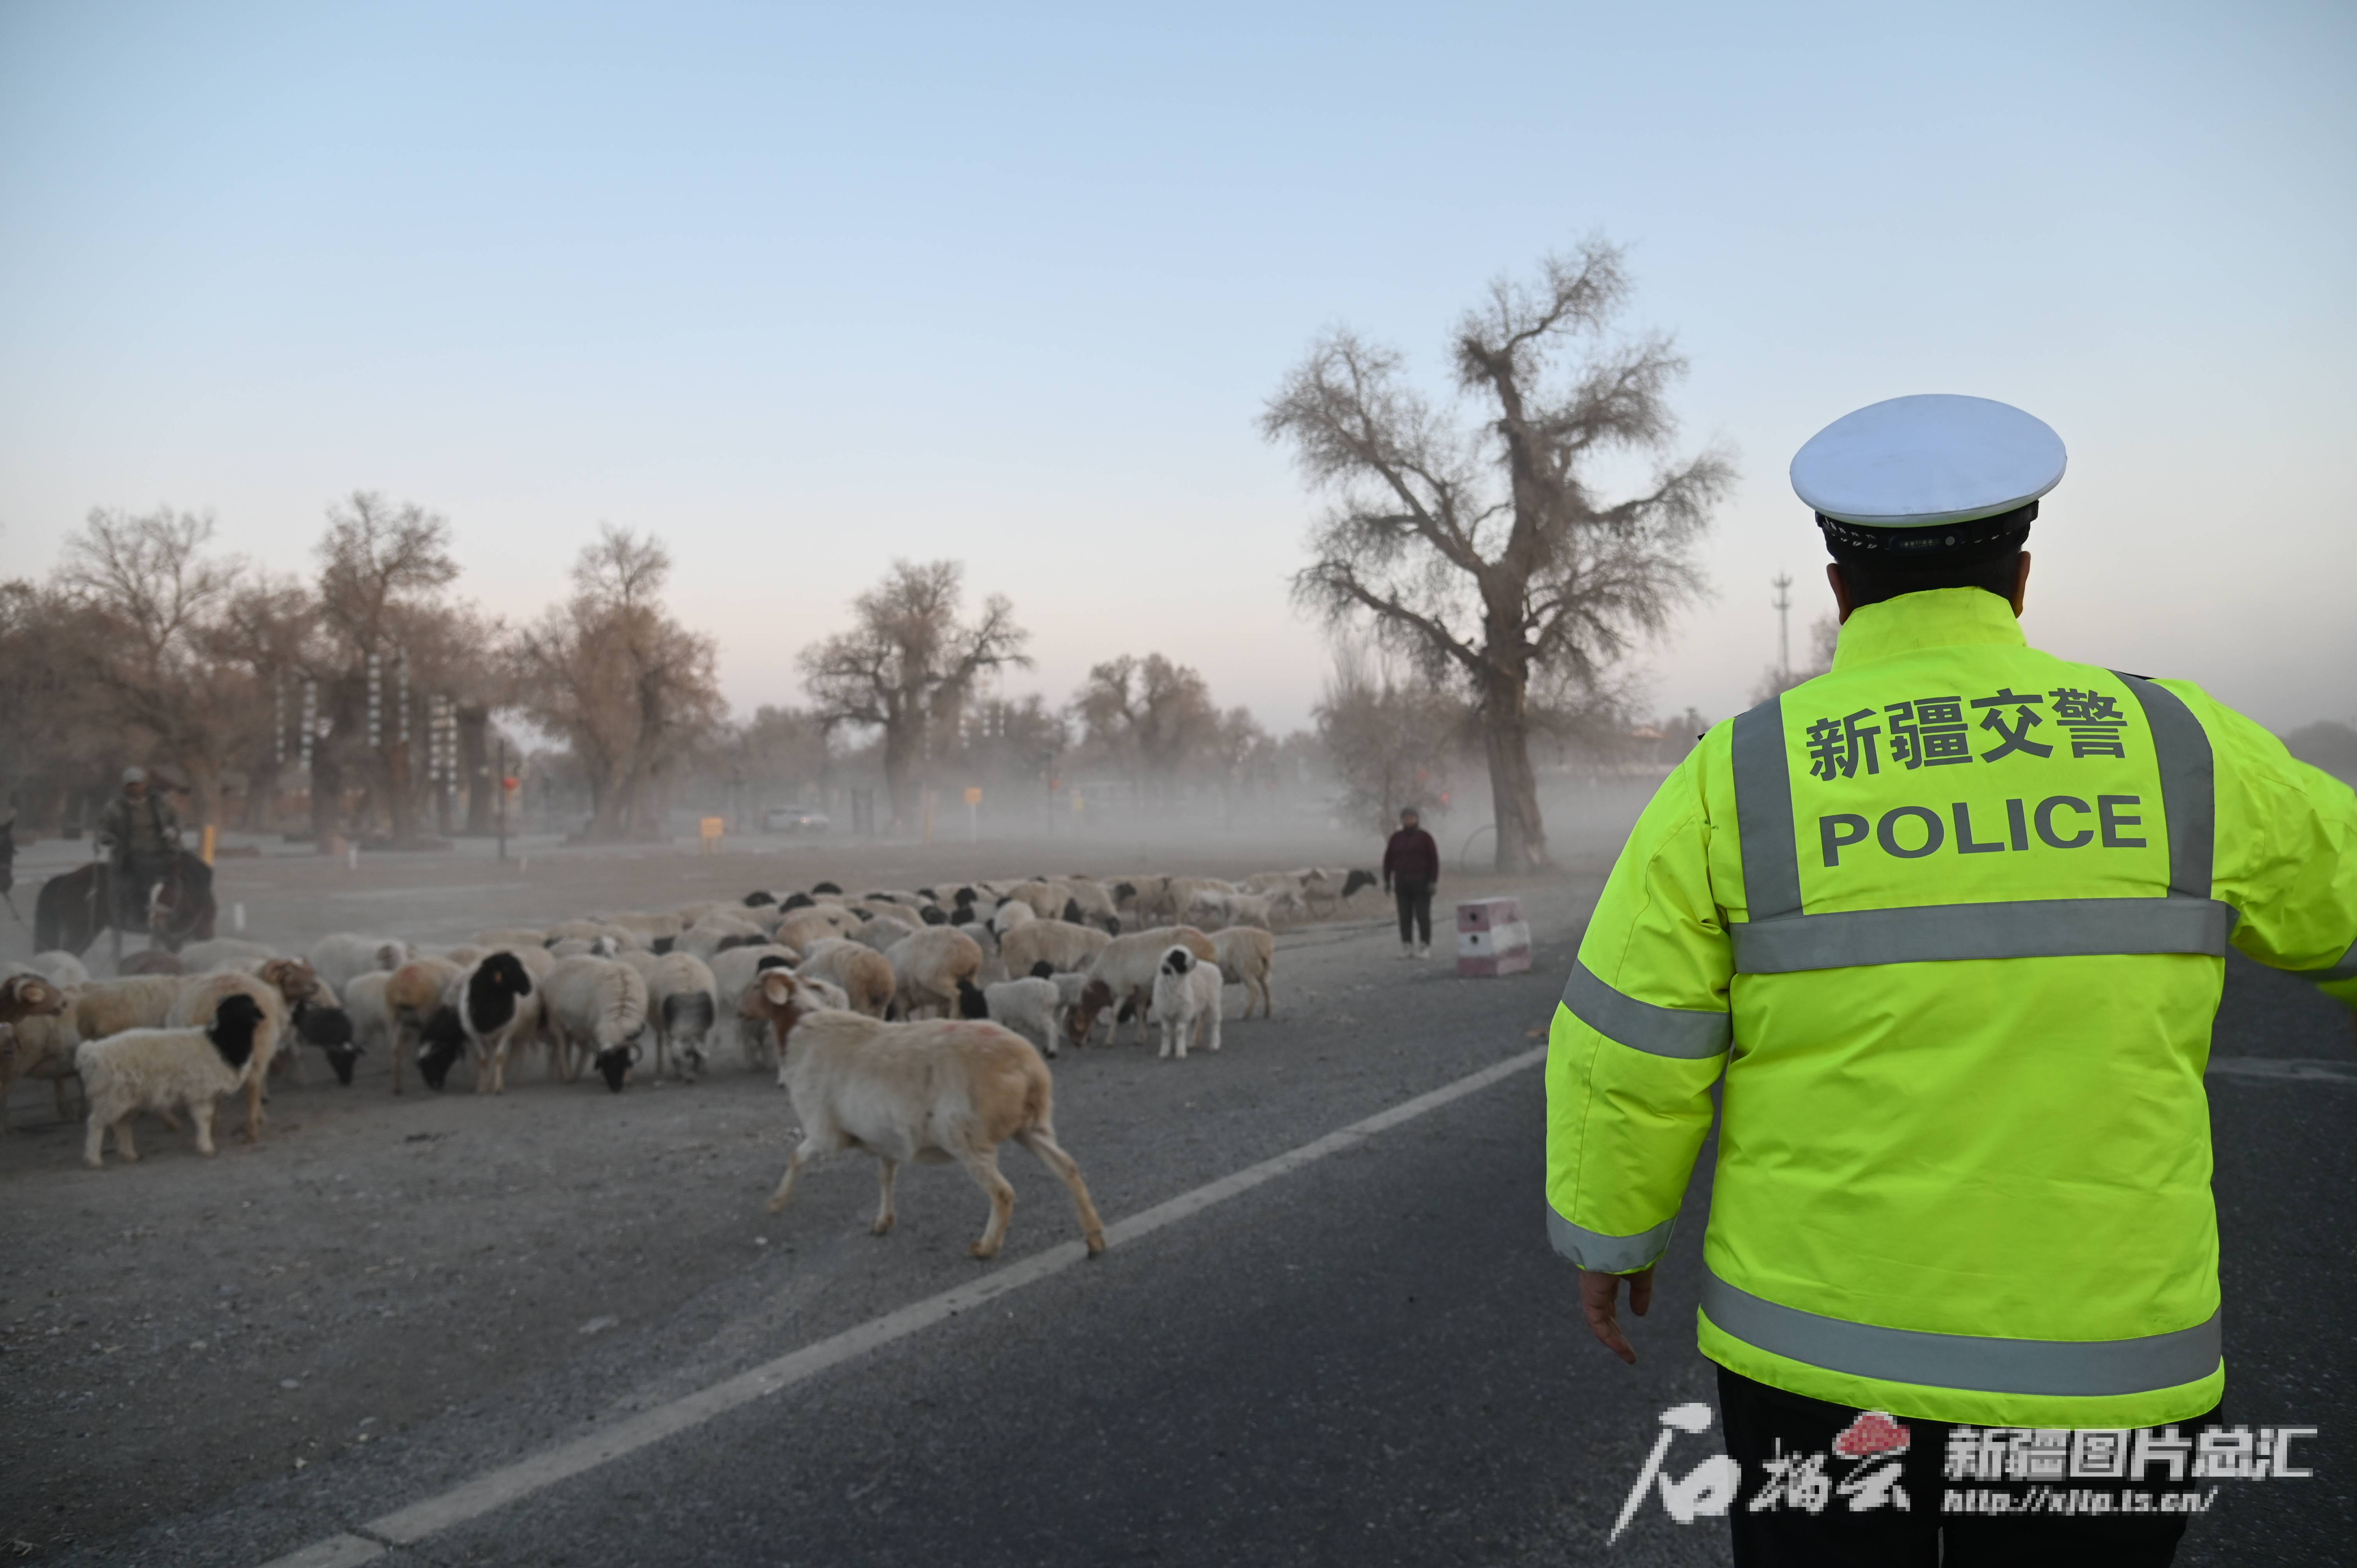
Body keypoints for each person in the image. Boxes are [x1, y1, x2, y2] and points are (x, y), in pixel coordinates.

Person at [1546, 394, 2357, 1565]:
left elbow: (1627, 1044)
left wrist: (1612, 1240)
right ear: (2020, 579)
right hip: (2112, 1369)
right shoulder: (2183, 745)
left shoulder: (1743, 775)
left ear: (1837, 590)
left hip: (1815, 1367)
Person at [95, 766, 181, 936]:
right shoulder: (115, 808)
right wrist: (108, 838)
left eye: (138, 784)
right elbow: (102, 829)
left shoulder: (161, 802)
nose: (135, 788)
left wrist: (173, 831)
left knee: (187, 874)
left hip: (162, 852)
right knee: (136, 884)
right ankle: (140, 919)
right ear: (125, 787)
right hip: (131, 856)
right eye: (131, 785)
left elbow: (176, 821)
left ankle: (177, 916)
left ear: (145, 785)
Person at [1382, 806, 1439, 959]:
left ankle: (1425, 946)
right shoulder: (1396, 838)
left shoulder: (1425, 837)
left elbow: (1434, 861)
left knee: (1422, 916)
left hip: (1422, 885)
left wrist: (1433, 881)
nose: (1409, 820)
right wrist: (1387, 881)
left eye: (1412, 817)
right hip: (1402, 885)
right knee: (1405, 917)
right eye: (1406, 818)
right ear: (1402, 820)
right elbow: (1388, 861)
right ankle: (1407, 946)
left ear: (1417, 819)